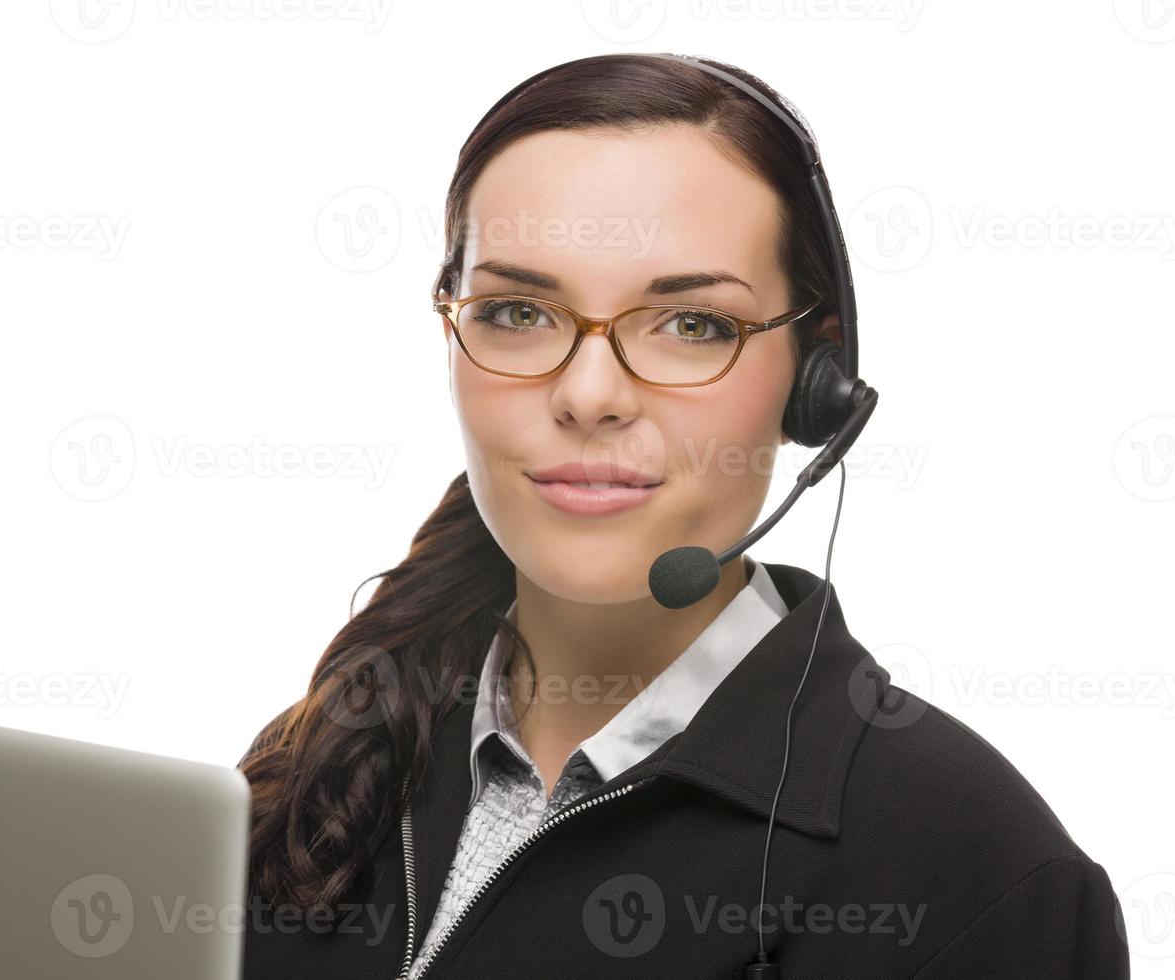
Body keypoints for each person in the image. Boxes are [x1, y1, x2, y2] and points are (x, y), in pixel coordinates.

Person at [237, 52, 1128, 978]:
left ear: (815, 385)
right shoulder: (318, 765)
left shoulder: (980, 875)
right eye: (515, 311)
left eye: (693, 324)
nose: (587, 395)